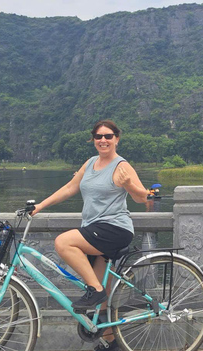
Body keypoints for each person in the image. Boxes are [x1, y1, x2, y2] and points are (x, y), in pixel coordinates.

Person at [31, 120, 152, 321]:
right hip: (94, 228)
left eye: (108, 136)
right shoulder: (89, 163)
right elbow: (70, 188)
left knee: (63, 242)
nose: (103, 140)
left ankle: (94, 290)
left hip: (114, 229)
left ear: (117, 139)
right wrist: (39, 206)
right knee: (102, 294)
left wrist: (129, 184)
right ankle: (109, 342)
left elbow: (142, 197)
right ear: (93, 139)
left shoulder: (121, 165)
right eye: (98, 136)